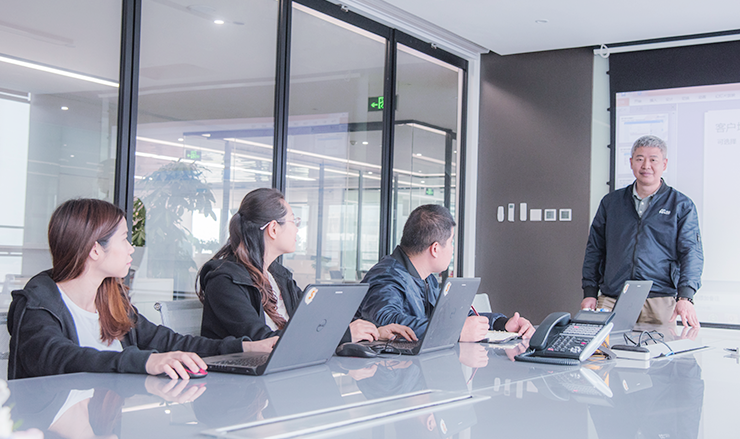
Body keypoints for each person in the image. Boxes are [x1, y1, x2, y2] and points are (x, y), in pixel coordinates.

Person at [7, 199, 276, 381]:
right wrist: (145, 362)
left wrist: (244, 347)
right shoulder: (37, 305)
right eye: (124, 239)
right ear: (95, 250)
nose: (131, 249)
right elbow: (58, 357)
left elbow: (170, 343)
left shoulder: (111, 300)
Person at [197, 188, 415, 344]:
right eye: (294, 221)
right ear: (273, 229)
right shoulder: (225, 281)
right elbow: (263, 341)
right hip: (244, 384)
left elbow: (316, 321)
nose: (297, 230)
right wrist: (344, 335)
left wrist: (374, 331)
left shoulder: (279, 277)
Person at [355, 204, 535, 342]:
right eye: (451, 242)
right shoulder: (386, 277)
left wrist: (502, 324)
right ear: (435, 249)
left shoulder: (426, 278)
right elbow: (388, 323)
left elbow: (451, 317)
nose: (452, 249)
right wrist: (455, 332)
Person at [581, 135, 703, 327]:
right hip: (613, 297)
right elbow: (595, 249)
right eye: (640, 159)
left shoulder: (681, 205)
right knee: (605, 346)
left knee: (660, 347)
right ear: (631, 162)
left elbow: (691, 253)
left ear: (664, 164)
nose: (646, 166)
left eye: (653, 159)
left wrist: (685, 296)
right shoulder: (611, 203)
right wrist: (590, 292)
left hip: (659, 299)